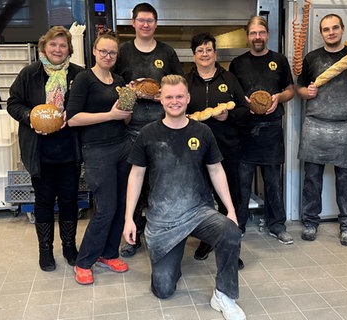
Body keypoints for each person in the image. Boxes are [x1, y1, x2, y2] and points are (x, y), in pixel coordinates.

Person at [123, 75, 246, 320]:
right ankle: (171, 261)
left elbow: (216, 170)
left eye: (180, 96)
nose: (175, 101)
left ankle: (224, 295)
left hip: (198, 211)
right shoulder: (148, 134)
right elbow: (135, 176)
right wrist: (129, 219)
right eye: (169, 97)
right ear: (161, 99)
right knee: (164, 290)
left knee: (231, 231)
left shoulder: (203, 131)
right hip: (163, 220)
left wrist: (230, 210)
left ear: (188, 98)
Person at [7, 26, 84, 272]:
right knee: (44, 201)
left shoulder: (79, 75)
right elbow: (13, 103)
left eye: (63, 45)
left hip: (70, 149)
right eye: (53, 45)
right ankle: (45, 251)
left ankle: (70, 247)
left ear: (69, 49)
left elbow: (86, 106)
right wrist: (31, 117)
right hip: (39, 150)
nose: (58, 49)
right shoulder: (29, 74)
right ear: (44, 48)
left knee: (71, 200)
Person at [296, 13, 347, 246]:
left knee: (346, 179)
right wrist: (306, 93)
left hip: (346, 126)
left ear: (342, 29)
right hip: (315, 125)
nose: (331, 32)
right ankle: (310, 221)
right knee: (312, 179)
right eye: (326, 29)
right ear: (321, 33)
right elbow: (299, 89)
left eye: (334, 28)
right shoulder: (312, 58)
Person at [113, 2, 183, 257]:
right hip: (130, 128)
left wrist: (163, 93)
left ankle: (161, 231)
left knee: (161, 183)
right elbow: (114, 85)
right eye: (141, 20)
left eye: (150, 20)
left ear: (156, 24)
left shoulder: (167, 52)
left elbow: (179, 83)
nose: (145, 24)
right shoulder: (123, 52)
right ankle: (133, 236)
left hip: (163, 127)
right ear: (133, 23)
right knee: (134, 185)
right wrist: (128, 91)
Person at [65, 29, 132, 284]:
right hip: (97, 151)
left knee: (122, 206)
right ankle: (84, 260)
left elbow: (125, 117)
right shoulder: (84, 79)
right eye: (103, 51)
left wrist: (126, 110)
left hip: (122, 147)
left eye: (112, 52)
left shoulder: (118, 80)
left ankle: (109, 253)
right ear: (94, 51)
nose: (108, 55)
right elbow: (72, 119)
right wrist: (110, 115)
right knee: (106, 208)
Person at [229, 16, 295, 244]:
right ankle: (238, 224)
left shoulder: (279, 60)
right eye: (253, 33)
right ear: (247, 36)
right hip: (245, 130)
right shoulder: (238, 63)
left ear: (267, 35)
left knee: (273, 182)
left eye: (261, 33)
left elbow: (290, 90)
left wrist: (279, 98)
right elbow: (233, 95)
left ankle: (277, 224)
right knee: (242, 183)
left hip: (271, 130)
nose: (257, 37)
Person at [185, 32, 247, 268]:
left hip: (227, 148)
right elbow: (175, 109)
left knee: (229, 197)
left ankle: (230, 246)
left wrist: (228, 115)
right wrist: (187, 118)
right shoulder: (187, 81)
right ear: (194, 55)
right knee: (201, 199)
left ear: (215, 53)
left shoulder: (229, 78)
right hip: (195, 150)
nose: (204, 54)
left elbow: (244, 110)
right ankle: (206, 240)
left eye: (208, 50)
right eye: (200, 50)